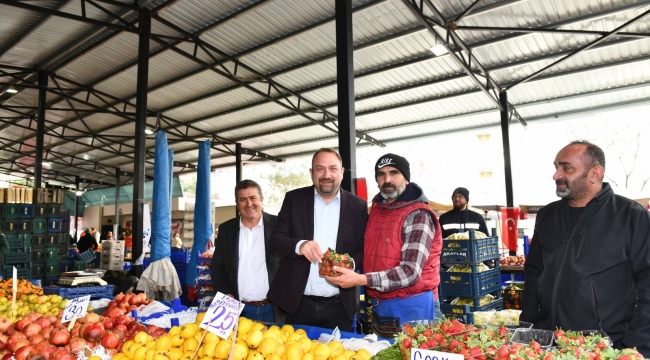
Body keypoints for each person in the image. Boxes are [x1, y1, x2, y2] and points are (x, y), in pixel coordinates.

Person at [520, 141, 650, 357]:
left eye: (566, 168)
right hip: (547, 345)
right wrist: (528, 328)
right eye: (556, 167)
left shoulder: (631, 216)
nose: (556, 175)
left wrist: (636, 347)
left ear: (595, 174)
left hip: (603, 347)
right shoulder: (547, 216)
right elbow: (534, 273)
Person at [327, 153, 443, 328]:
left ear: (406, 178)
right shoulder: (376, 211)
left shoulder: (418, 214)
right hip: (381, 306)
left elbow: (410, 272)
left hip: (415, 307)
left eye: (394, 173)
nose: (387, 179)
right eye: (381, 174)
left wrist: (361, 279)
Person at [267, 148, 368, 331]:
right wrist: (300, 245)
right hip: (298, 304)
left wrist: (350, 263)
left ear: (342, 172)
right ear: (311, 173)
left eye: (333, 169)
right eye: (320, 169)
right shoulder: (294, 199)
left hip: (340, 305)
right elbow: (275, 239)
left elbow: (364, 248)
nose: (326, 175)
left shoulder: (358, 206)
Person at [210, 180, 283, 323]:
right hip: (238, 309)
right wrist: (226, 294)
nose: (249, 204)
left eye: (253, 198)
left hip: (274, 309)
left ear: (262, 200)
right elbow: (217, 267)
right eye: (243, 199)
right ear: (237, 204)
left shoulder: (280, 226)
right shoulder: (226, 230)